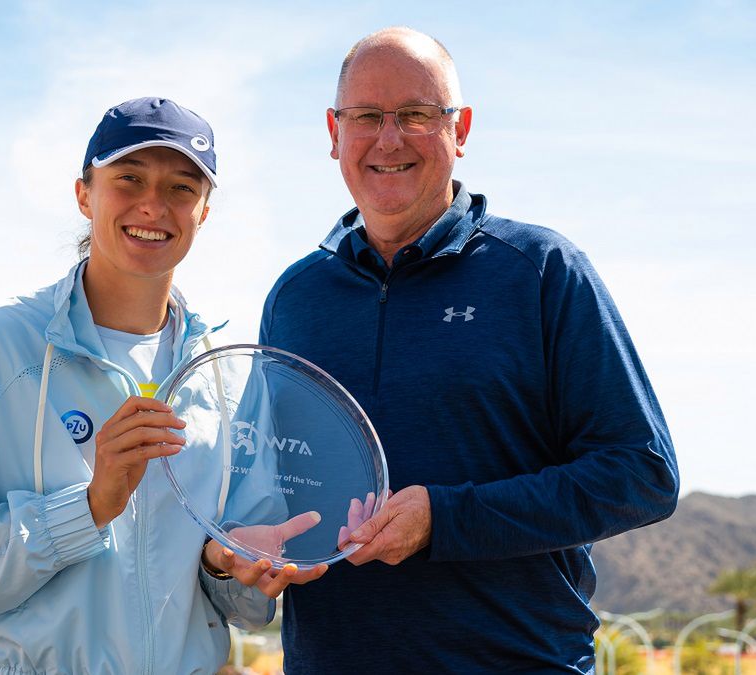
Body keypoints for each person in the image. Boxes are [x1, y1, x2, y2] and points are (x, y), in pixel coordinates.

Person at [259, 28, 680, 673]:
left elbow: (641, 475)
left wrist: (446, 519)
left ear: (460, 130)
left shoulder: (542, 271)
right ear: (334, 132)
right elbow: (269, 476)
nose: (389, 139)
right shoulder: (294, 296)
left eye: (416, 114)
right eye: (366, 116)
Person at [0, 97, 324, 675]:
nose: (153, 205)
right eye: (129, 178)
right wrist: (90, 507)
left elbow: (239, 604)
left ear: (204, 211)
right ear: (84, 194)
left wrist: (227, 564)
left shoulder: (231, 375)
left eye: (182, 188)